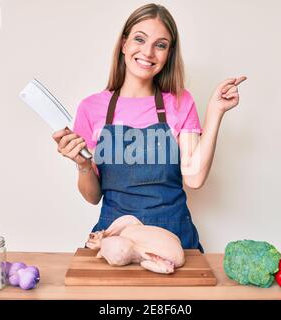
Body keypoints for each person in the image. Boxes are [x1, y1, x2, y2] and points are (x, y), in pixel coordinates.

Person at [52, 3, 246, 253]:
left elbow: (195, 178)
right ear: (124, 44)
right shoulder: (91, 108)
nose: (148, 52)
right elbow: (92, 196)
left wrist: (215, 112)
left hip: (174, 238)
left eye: (161, 45)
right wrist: (83, 164)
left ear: (168, 54)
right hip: (115, 238)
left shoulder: (180, 102)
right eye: (139, 39)